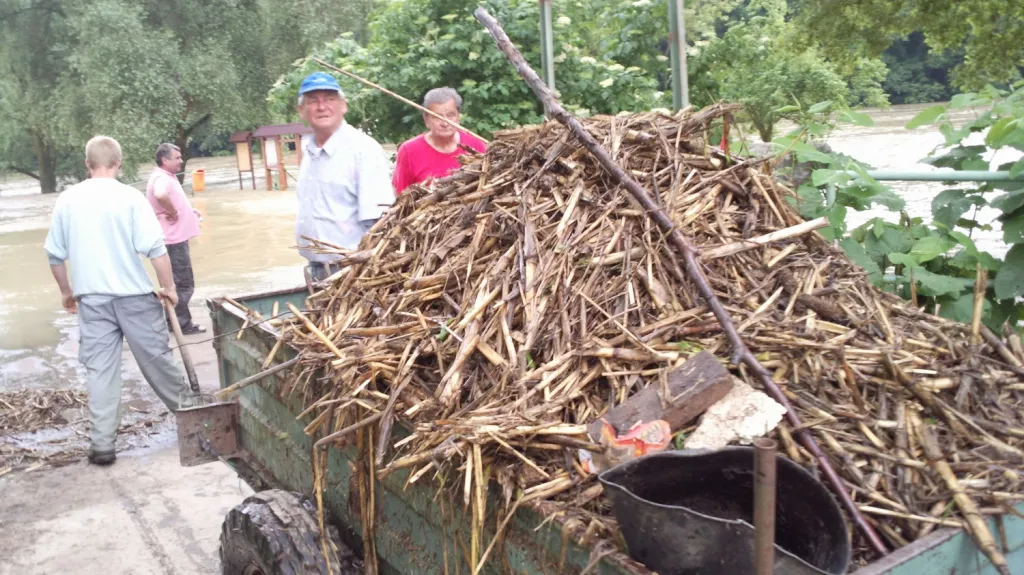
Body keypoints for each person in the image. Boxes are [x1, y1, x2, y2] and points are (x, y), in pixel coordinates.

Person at [44, 136, 192, 466]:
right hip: (135, 299)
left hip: (92, 301)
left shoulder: (67, 200)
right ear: (119, 163)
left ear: (87, 164)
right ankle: (194, 420)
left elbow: (55, 255)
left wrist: (67, 293)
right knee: (158, 363)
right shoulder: (129, 197)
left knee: (100, 371)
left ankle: (102, 445)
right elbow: (156, 250)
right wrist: (169, 288)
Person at [295, 72, 395, 282]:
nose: (322, 107)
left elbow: (380, 223)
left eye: (330, 99)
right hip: (316, 271)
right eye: (313, 101)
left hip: (352, 272)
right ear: (301, 111)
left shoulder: (362, 150)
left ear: (343, 106)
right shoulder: (309, 150)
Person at [146, 143, 205, 334]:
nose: (181, 161)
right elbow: (161, 195)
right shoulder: (161, 178)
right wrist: (173, 211)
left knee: (177, 282)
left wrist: (188, 211)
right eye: (177, 158)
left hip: (173, 238)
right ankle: (182, 325)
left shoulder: (164, 176)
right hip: (173, 240)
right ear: (165, 160)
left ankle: (173, 322)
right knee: (183, 284)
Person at [391, 87, 487, 195]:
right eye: (437, 117)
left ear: (458, 116)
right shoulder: (409, 151)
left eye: (450, 115)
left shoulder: (476, 145)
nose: (445, 123)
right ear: (426, 119)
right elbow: (401, 195)